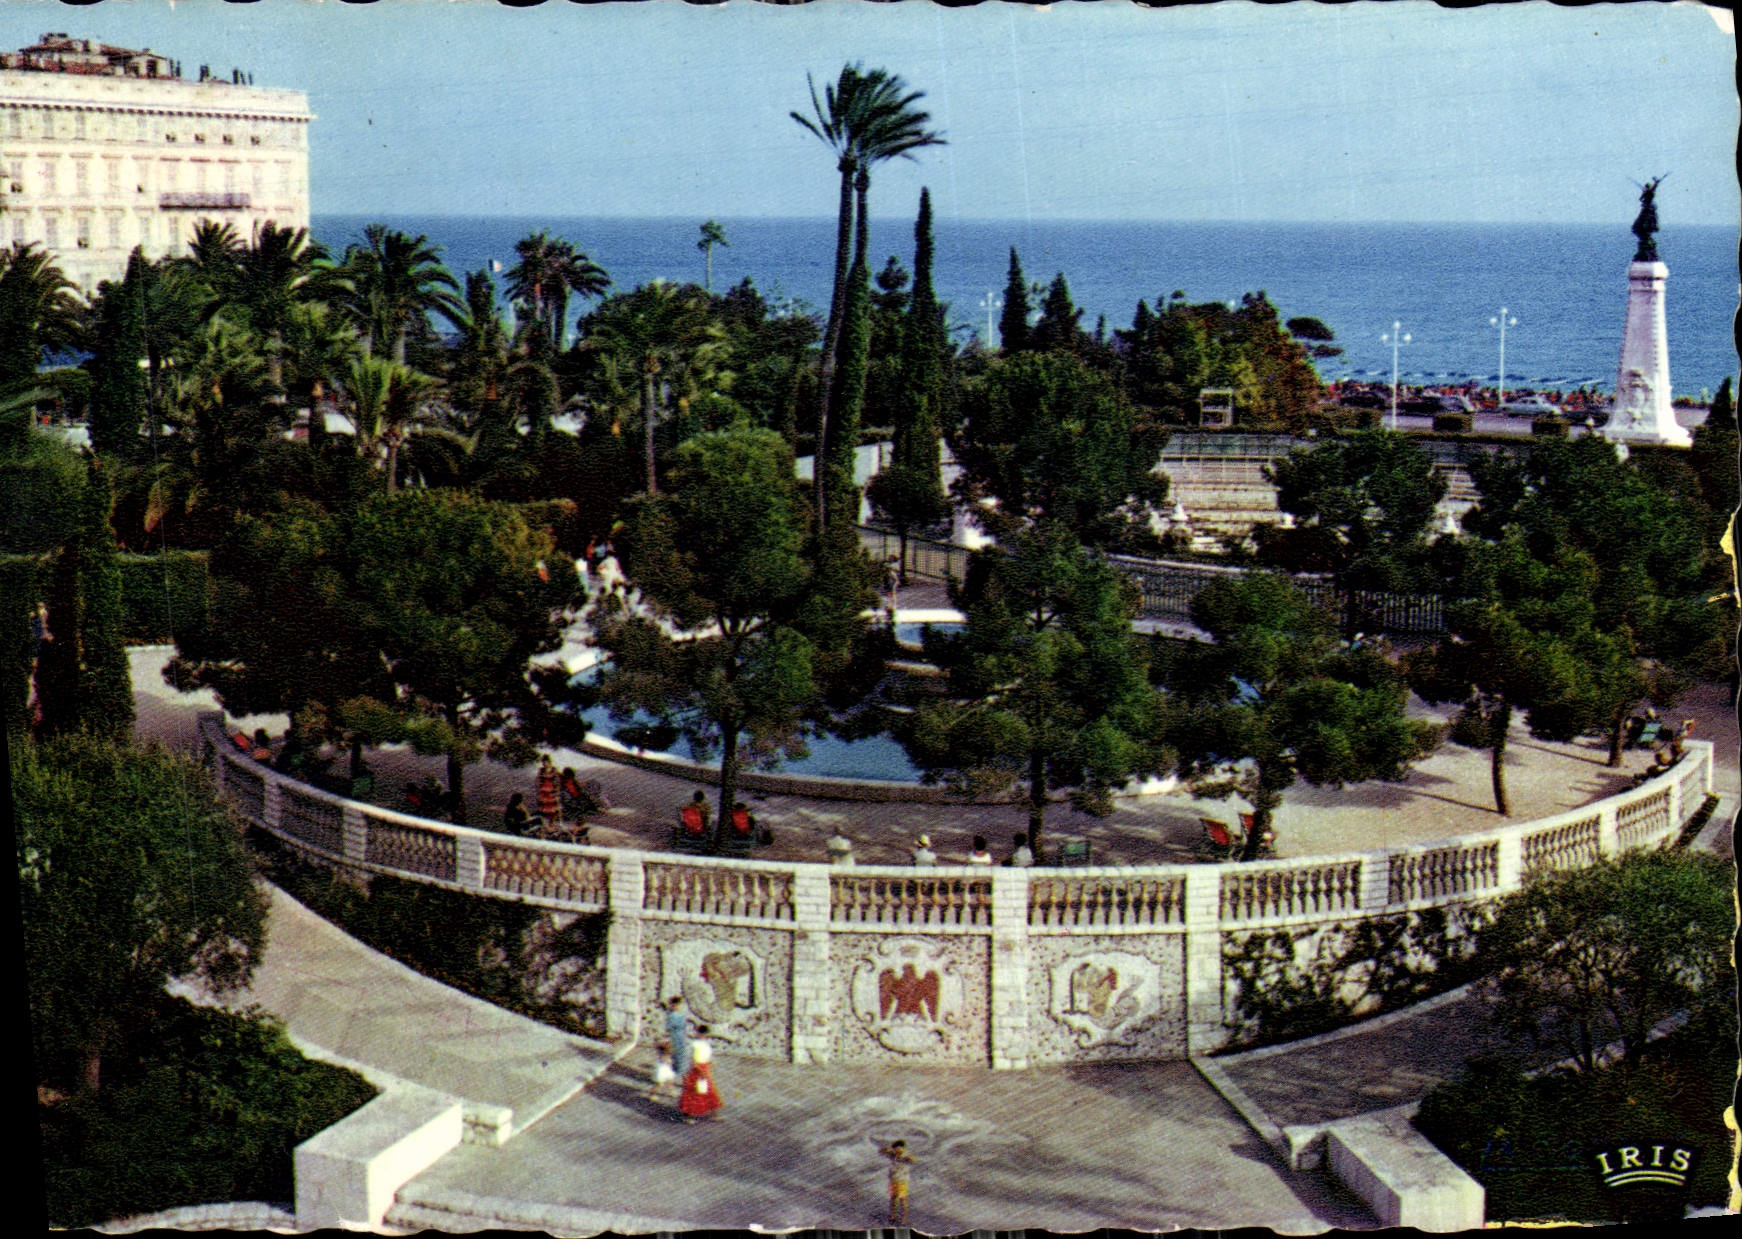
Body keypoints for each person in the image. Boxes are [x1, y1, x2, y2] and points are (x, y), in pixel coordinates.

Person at [678, 1024, 723, 1122]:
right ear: (698, 1033)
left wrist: (711, 1064)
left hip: (705, 1068)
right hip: (696, 1069)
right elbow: (692, 1059)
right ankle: (688, 1116)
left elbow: (708, 1056)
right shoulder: (694, 1044)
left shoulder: (707, 1044)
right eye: (701, 1033)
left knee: (708, 1090)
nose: (703, 1035)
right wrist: (699, 1070)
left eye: (705, 1034)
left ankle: (714, 1114)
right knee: (693, 1092)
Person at [880, 1139, 917, 1226]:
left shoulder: (906, 1155)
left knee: (902, 1199)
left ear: (901, 1148)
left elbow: (913, 1160)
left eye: (897, 1149)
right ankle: (893, 1216)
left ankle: (904, 1219)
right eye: (895, 1149)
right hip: (893, 1179)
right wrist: (890, 1148)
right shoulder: (892, 1155)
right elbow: (881, 1151)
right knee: (893, 1198)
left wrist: (904, 1156)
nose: (896, 1151)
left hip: (902, 1181)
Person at [664, 996, 691, 1081]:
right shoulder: (672, 1015)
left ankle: (684, 1078)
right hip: (676, 1037)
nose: (677, 1006)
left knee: (681, 1058)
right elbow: (668, 1028)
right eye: (675, 1005)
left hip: (680, 1037)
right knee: (676, 1058)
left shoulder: (676, 1014)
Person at [536, 755, 562, 830]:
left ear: (549, 762)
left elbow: (557, 782)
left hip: (551, 791)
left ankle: (552, 824)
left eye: (546, 762)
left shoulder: (554, 770)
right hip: (543, 792)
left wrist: (556, 791)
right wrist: (539, 788)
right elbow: (538, 781)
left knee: (553, 809)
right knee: (544, 808)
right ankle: (546, 825)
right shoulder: (541, 771)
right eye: (543, 762)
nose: (544, 764)